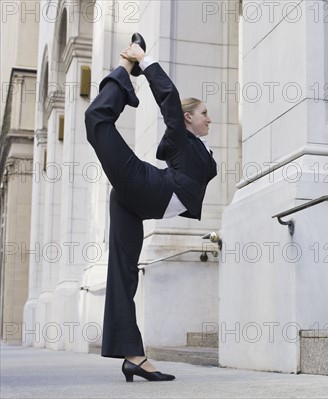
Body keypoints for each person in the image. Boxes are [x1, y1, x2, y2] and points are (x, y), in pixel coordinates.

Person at [84, 33, 217, 382]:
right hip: (147, 185)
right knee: (96, 118)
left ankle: (133, 357)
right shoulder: (179, 137)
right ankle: (125, 66)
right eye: (204, 113)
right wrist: (141, 62)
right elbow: (169, 98)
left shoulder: (199, 149)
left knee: (124, 270)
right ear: (187, 118)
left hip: (142, 200)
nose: (209, 119)